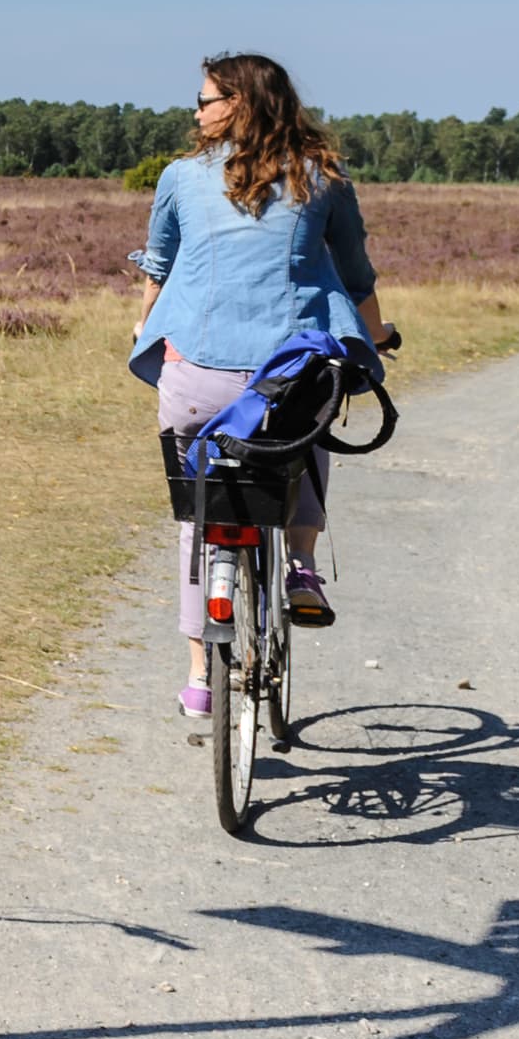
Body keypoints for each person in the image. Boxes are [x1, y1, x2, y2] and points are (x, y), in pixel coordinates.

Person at [128, 52, 395, 716]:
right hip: (288, 382)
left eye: (205, 99)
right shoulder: (322, 179)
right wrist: (378, 335)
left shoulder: (180, 177)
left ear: (238, 105)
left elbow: (158, 266)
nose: (196, 112)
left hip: (196, 379)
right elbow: (357, 277)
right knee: (308, 432)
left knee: (200, 510)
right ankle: (301, 562)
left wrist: (147, 328)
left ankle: (198, 678)